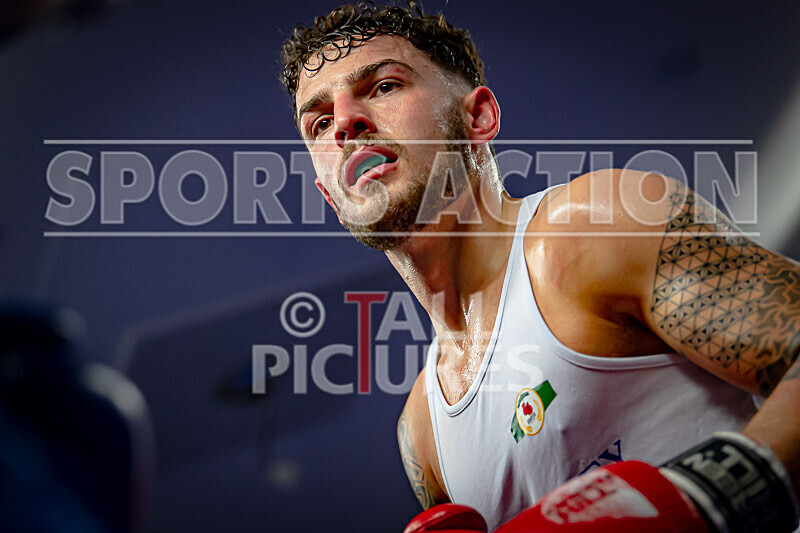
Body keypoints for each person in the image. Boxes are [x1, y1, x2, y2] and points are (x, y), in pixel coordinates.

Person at [279, 2, 800, 531]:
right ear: (329, 195)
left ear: (477, 117)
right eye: (319, 123)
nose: (344, 123)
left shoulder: (595, 227)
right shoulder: (421, 431)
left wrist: (708, 497)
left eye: (384, 86)